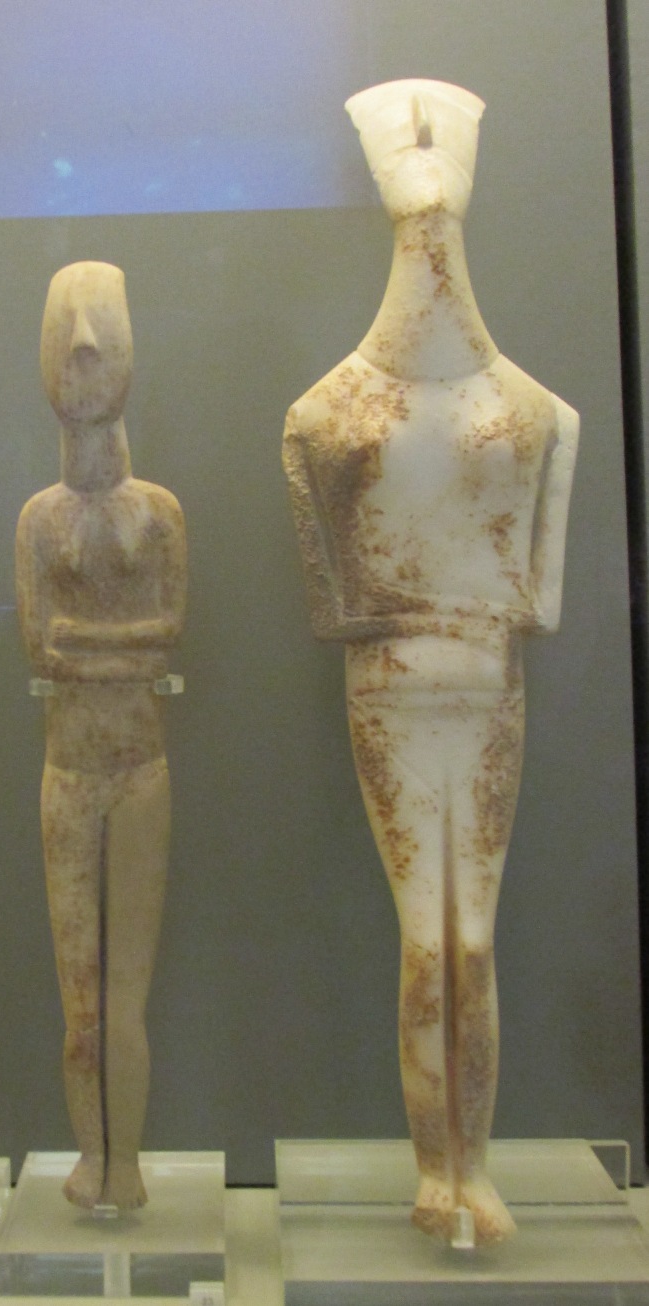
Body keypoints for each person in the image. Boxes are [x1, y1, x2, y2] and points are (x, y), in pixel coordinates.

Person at [283, 80, 578, 1244]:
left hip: (481, 689)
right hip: (396, 694)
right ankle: (435, 1173)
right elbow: (330, 605)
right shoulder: (324, 416)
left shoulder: (538, 416)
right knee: (430, 938)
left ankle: (471, 1169)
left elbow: (539, 599)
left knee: (470, 939)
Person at [16, 261, 187, 1209]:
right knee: (79, 1004)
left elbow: (167, 631)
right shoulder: (39, 521)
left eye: (99, 334)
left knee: (124, 1002)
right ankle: (93, 1161)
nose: (82, 350)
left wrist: (91, 643)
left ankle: (125, 1169)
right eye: (66, 335)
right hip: (68, 772)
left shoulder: (156, 513)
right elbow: (38, 644)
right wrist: (107, 645)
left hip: (136, 767)